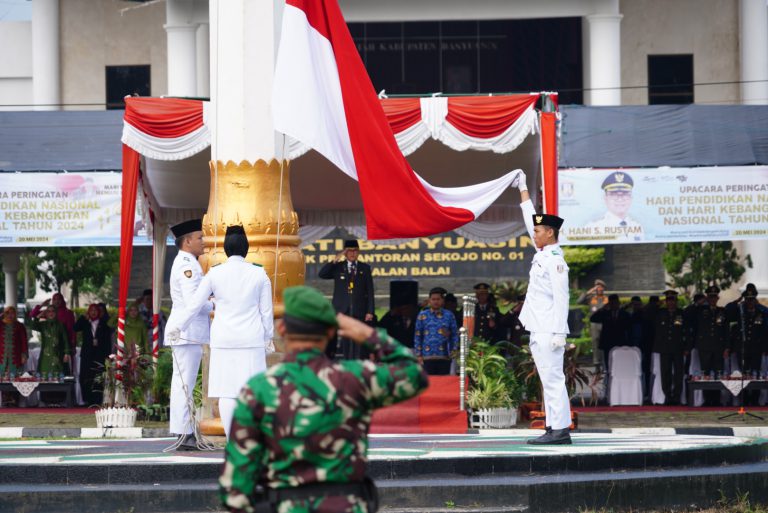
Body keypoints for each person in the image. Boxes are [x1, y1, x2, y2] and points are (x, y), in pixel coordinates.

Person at [219, 285, 428, 513]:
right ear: (331, 333)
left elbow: (236, 487)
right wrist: (367, 333)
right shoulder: (353, 379)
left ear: (281, 328)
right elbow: (414, 373)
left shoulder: (258, 389)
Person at [167, 225, 273, 440]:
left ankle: (232, 436)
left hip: (223, 338)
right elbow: (266, 312)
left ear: (225, 249)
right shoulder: (259, 272)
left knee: (227, 391)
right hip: (251, 339)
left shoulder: (215, 273)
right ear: (246, 249)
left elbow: (194, 305)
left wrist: (179, 326)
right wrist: (268, 338)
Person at [513, 170, 572, 445]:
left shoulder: (555, 261)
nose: (533, 235)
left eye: (538, 232)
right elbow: (530, 221)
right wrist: (523, 191)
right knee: (547, 381)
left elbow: (563, 298)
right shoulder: (543, 254)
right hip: (540, 328)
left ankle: (560, 430)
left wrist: (561, 333)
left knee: (552, 380)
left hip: (550, 330)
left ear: (550, 233)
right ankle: (553, 426)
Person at [160, 219, 213, 450]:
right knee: (184, 384)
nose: (204, 242)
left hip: (187, 331)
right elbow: (195, 303)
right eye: (200, 238)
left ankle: (185, 431)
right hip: (186, 331)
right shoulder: (186, 265)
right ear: (188, 241)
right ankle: (183, 432)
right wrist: (215, 305)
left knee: (184, 383)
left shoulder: (189, 261)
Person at [318, 239, 375, 360]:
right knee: (345, 339)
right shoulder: (338, 267)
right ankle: (347, 363)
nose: (353, 253)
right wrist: (336, 259)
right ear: (345, 252)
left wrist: (370, 311)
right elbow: (322, 274)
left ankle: (357, 364)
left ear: (358, 252)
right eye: (349, 251)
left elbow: (370, 291)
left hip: (359, 309)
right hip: (342, 309)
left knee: (358, 339)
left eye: (355, 251)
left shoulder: (364, 268)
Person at [689, 285, 728, 405]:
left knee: (718, 374)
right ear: (707, 298)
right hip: (704, 346)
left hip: (718, 346)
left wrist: (726, 347)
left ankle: (716, 399)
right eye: (710, 297)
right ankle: (707, 399)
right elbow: (687, 313)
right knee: (705, 374)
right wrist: (699, 303)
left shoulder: (722, 311)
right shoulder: (699, 311)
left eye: (714, 297)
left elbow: (726, 330)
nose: (712, 299)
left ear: (718, 298)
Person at [730, 288, 767, 405]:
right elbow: (727, 311)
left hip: (757, 349)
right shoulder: (740, 312)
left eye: (751, 299)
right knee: (744, 375)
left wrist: (765, 348)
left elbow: (765, 332)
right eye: (747, 300)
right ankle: (745, 398)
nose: (750, 302)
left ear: (755, 299)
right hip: (743, 348)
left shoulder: (761, 312)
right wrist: (736, 301)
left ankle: (755, 399)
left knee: (756, 374)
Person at [583, 171, 644, 242]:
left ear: (631, 198)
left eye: (625, 194)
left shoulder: (637, 227)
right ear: (605, 198)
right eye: (614, 194)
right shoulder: (593, 228)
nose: (620, 199)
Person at [651, 290, 687, 406]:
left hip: (678, 347)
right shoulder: (659, 313)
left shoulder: (681, 313)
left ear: (676, 302)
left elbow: (686, 331)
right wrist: (657, 304)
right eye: (668, 301)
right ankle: (667, 395)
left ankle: (676, 397)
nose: (671, 303)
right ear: (666, 302)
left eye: (673, 301)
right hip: (664, 348)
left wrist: (687, 347)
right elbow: (647, 313)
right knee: (665, 373)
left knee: (678, 373)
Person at [413, 287, 459, 375]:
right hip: (427, 356)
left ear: (442, 300)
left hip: (444, 356)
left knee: (442, 383)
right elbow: (418, 336)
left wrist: (454, 350)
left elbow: (454, 334)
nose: (435, 301)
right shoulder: (422, 315)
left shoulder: (449, 315)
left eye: (438, 299)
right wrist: (418, 355)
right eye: (433, 299)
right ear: (429, 300)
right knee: (429, 384)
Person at [74, 303, 113, 405]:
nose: (93, 312)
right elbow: (75, 328)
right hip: (87, 355)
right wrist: (83, 317)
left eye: (95, 310)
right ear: (88, 312)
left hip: (99, 355)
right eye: (91, 310)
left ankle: (98, 399)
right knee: (85, 377)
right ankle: (87, 399)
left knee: (98, 377)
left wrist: (108, 357)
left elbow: (108, 343)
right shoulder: (85, 323)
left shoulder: (104, 325)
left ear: (99, 312)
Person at [589, 294, 631, 376]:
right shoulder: (605, 313)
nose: (614, 305)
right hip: (608, 343)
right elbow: (593, 319)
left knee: (620, 363)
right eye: (612, 303)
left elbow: (629, 327)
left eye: (615, 303)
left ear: (618, 303)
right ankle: (609, 379)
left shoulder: (625, 314)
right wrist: (602, 309)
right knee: (609, 364)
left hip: (621, 342)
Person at [28, 305, 72, 378]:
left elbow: (65, 340)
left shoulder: (60, 325)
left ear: (56, 313)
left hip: (57, 354)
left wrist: (67, 353)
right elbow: (32, 326)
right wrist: (39, 316)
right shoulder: (43, 325)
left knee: (58, 375)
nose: (51, 313)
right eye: (48, 311)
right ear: (46, 313)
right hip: (45, 356)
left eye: (53, 311)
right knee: (44, 375)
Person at [578, 279, 608, 365]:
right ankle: (596, 362)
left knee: (605, 342)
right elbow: (579, 301)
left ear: (603, 289)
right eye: (597, 287)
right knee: (595, 342)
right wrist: (589, 292)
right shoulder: (591, 298)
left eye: (600, 287)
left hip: (604, 323)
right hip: (594, 324)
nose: (599, 289)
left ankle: (604, 362)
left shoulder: (606, 299)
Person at [1, 306, 28, 377]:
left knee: (15, 379)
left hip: (16, 357)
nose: (10, 315)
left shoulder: (20, 326)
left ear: (15, 314)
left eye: (12, 313)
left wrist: (24, 355)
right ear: (4, 314)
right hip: (1, 357)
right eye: (7, 313)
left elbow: (24, 342)